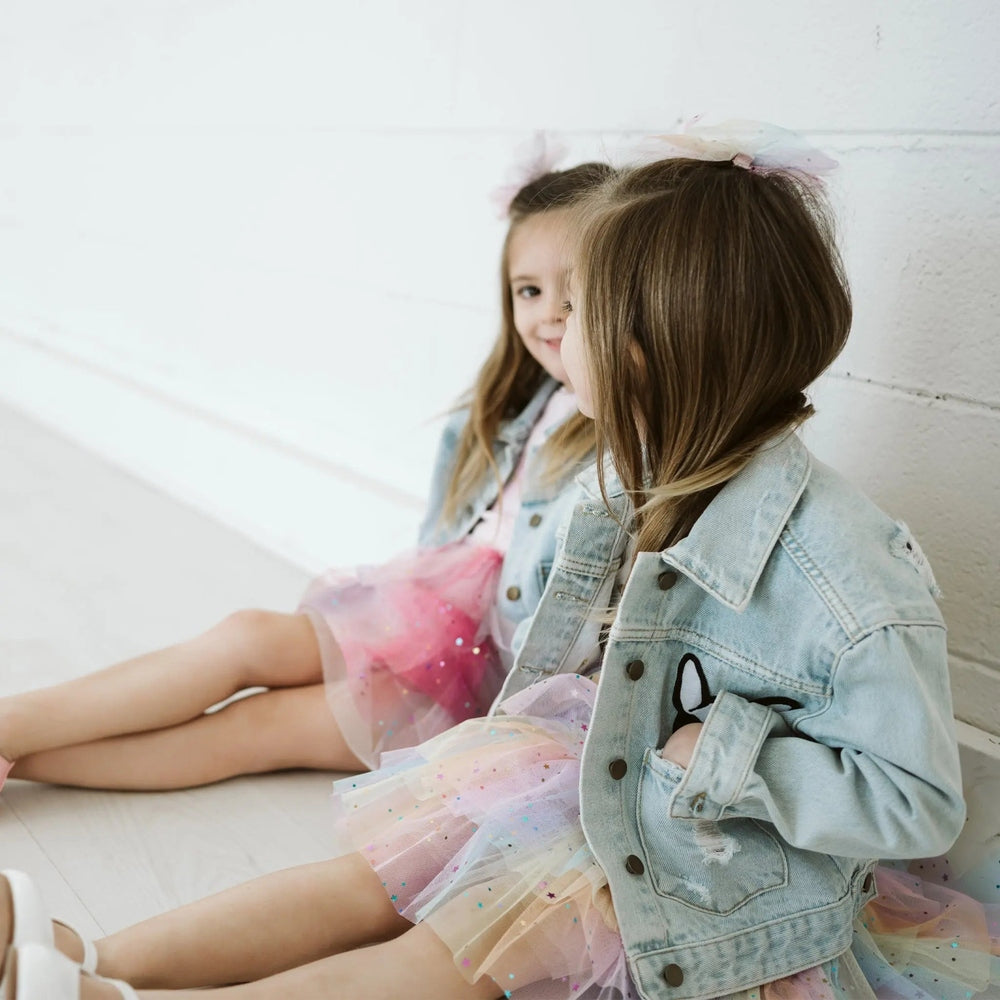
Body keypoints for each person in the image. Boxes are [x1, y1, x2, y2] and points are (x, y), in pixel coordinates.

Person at [3, 133, 993, 1000]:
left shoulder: (843, 563)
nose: (557, 329)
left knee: (446, 960)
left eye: (584, 309)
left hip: (714, 863)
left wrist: (730, 755)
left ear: (658, 346)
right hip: (597, 777)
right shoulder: (637, 474)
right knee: (379, 876)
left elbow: (916, 799)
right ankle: (78, 955)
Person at [0, 160, 609, 793]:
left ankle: (17, 755)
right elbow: (444, 541)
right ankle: (9, 727)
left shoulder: (620, 437)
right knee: (246, 635)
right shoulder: (508, 406)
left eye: (573, 292)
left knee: (256, 726)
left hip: (487, 682)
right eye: (528, 291)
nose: (549, 316)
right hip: (421, 615)